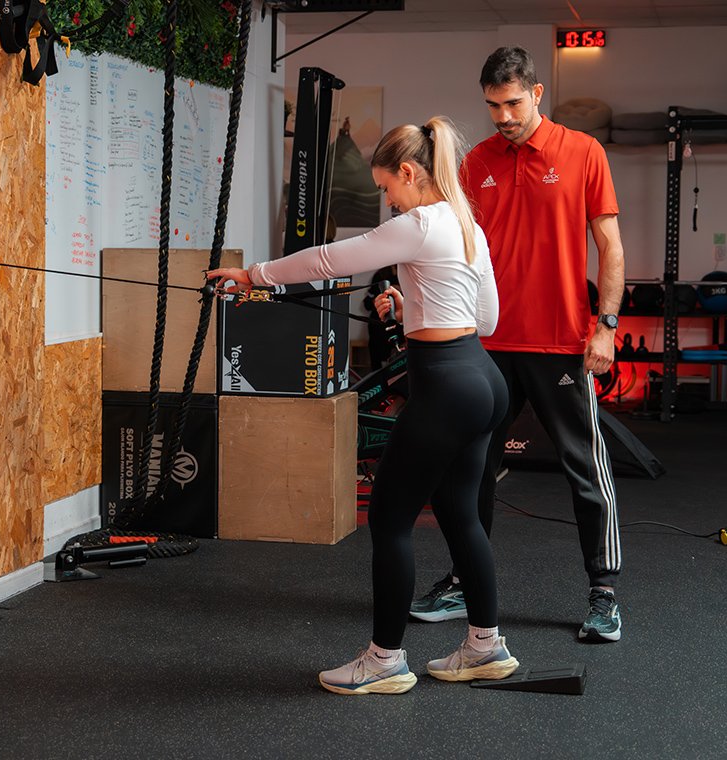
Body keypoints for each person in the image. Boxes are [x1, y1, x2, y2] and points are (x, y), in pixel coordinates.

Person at [208, 116, 519, 694]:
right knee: (459, 513)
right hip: (481, 379)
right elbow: (486, 319)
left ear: (408, 172)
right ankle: (485, 646)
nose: (387, 199)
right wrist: (411, 304)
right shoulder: (464, 221)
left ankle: (384, 661)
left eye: (386, 187)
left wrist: (255, 276)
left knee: (389, 518)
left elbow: (328, 260)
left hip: (447, 388)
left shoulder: (421, 221)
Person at [410, 46, 626, 643]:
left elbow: (610, 246)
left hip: (559, 342)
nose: (502, 115)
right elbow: (444, 242)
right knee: (471, 467)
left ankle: (603, 593)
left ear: (536, 93)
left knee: (585, 467)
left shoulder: (584, 153)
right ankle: (463, 580)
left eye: (511, 102)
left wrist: (605, 325)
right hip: (485, 342)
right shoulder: (475, 161)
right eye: (491, 105)